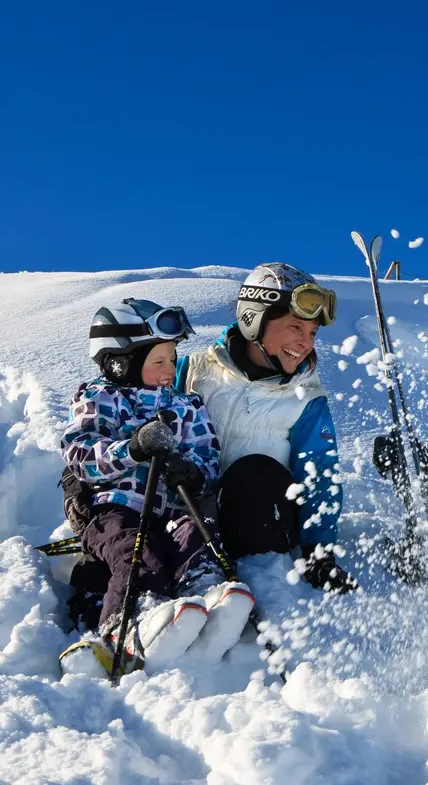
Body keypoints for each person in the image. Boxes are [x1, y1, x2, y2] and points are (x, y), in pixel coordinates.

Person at [59, 298, 253, 674]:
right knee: (137, 549)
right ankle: (126, 622)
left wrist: (193, 473)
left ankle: (206, 593)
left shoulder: (186, 406)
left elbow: (207, 455)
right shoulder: (100, 398)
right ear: (120, 362)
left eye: (173, 356)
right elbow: (79, 454)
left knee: (198, 534)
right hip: (114, 509)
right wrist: (131, 449)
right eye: (159, 360)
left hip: (176, 509)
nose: (170, 368)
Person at [175, 263, 357, 593]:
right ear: (253, 319)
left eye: (313, 333)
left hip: (263, 524)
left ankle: (258, 591)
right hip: (193, 518)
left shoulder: (306, 398)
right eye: (295, 328)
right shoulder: (193, 371)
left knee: (253, 473)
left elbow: (320, 472)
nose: (305, 343)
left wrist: (320, 551)